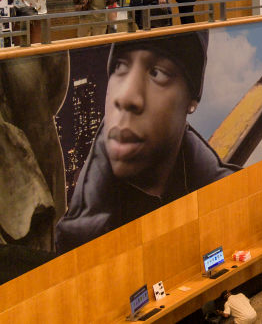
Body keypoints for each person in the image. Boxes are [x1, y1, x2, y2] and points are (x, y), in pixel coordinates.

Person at [55, 32, 238, 252]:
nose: (126, 97)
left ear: (191, 100)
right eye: (120, 67)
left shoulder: (230, 195)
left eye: (156, 73)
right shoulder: (76, 240)